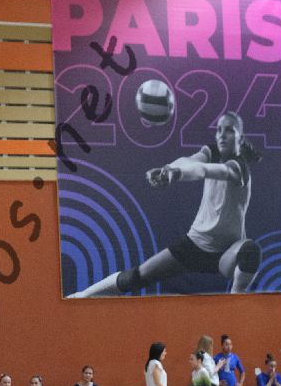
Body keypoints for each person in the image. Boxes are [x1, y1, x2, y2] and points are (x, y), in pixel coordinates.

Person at [71, 112, 263, 296]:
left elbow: (204, 170)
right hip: (194, 245)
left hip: (226, 253)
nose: (222, 135)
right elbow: (189, 161)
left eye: (229, 130)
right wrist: (169, 170)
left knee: (250, 251)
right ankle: (82, 296)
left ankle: (236, 303)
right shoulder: (212, 152)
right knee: (137, 276)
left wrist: (178, 173)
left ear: (240, 137)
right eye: (219, 129)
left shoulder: (239, 167)